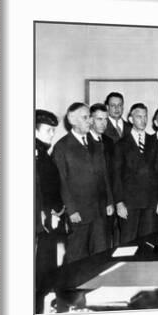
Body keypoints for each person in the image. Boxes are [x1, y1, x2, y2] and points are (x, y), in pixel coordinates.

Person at [53, 103, 113, 263]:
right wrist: (71, 211)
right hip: (78, 213)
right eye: (85, 117)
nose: (90, 121)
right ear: (72, 119)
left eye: (90, 118)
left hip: (99, 211)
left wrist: (109, 201)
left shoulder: (96, 143)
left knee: (100, 254)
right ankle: (71, 288)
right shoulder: (62, 147)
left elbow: (104, 175)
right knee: (76, 255)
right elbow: (61, 182)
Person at [113, 103, 158, 243]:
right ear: (130, 119)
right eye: (138, 116)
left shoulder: (154, 142)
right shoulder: (121, 144)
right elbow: (116, 176)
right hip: (129, 203)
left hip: (150, 202)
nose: (143, 120)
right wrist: (119, 203)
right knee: (128, 242)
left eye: (145, 116)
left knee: (148, 243)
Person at [34, 109, 64, 313]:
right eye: (48, 130)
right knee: (42, 269)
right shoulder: (36, 154)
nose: (52, 134)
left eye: (53, 130)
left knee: (48, 267)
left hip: (51, 218)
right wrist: (48, 214)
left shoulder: (43, 152)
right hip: (43, 221)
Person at [88, 103, 116, 247]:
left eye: (106, 119)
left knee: (106, 243)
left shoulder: (109, 142)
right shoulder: (84, 142)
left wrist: (111, 201)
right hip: (91, 205)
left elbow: (111, 174)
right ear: (90, 120)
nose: (103, 123)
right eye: (99, 119)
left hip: (108, 202)